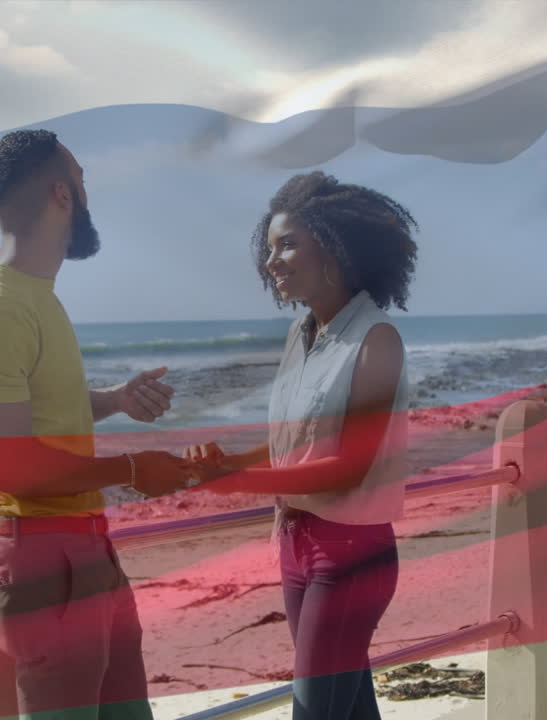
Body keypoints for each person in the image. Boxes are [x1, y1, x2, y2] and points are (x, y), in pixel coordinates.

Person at [0, 128, 197, 719]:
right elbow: (15, 468)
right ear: (62, 195)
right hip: (40, 558)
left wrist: (113, 400)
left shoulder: (31, 295)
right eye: (83, 182)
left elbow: (39, 410)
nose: (87, 197)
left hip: (85, 550)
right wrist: (135, 468)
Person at [187, 171, 418, 720]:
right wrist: (227, 463)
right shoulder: (303, 334)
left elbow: (348, 469)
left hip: (350, 556)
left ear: (336, 246)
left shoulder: (376, 339)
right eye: (269, 248)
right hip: (295, 545)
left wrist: (236, 482)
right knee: (351, 712)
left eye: (287, 244)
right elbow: (295, 446)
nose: (273, 262)